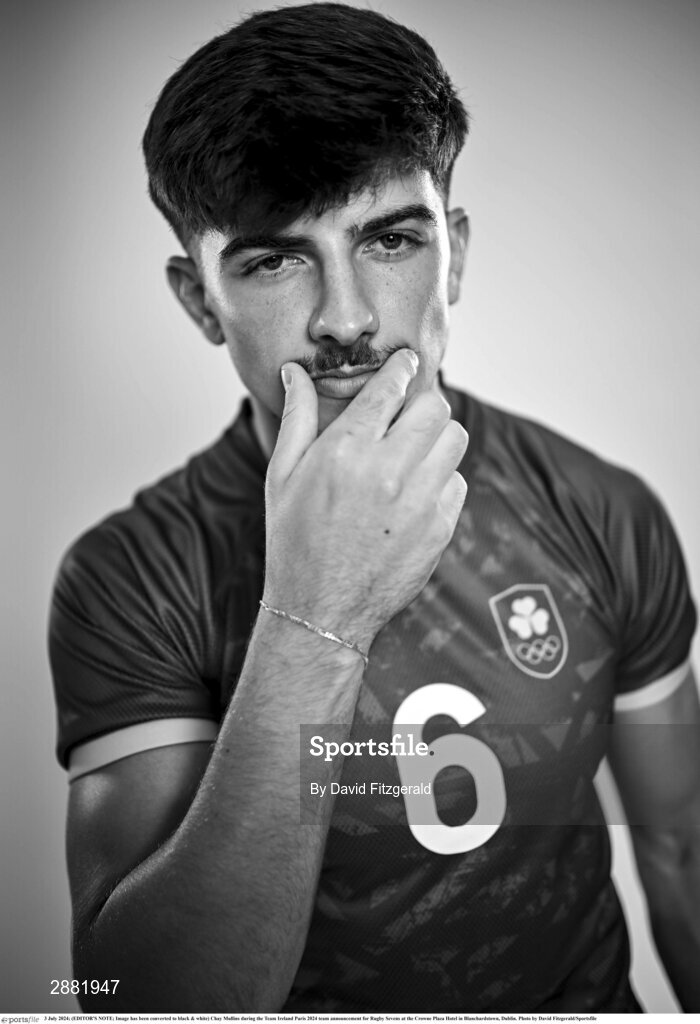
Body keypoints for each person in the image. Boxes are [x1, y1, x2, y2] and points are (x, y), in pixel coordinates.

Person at [48, 2, 700, 1013]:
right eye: (273, 259)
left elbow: (678, 841)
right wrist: (319, 615)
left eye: (391, 239)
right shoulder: (131, 576)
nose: (344, 318)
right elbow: (130, 997)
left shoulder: (599, 509)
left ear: (457, 253)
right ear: (196, 301)